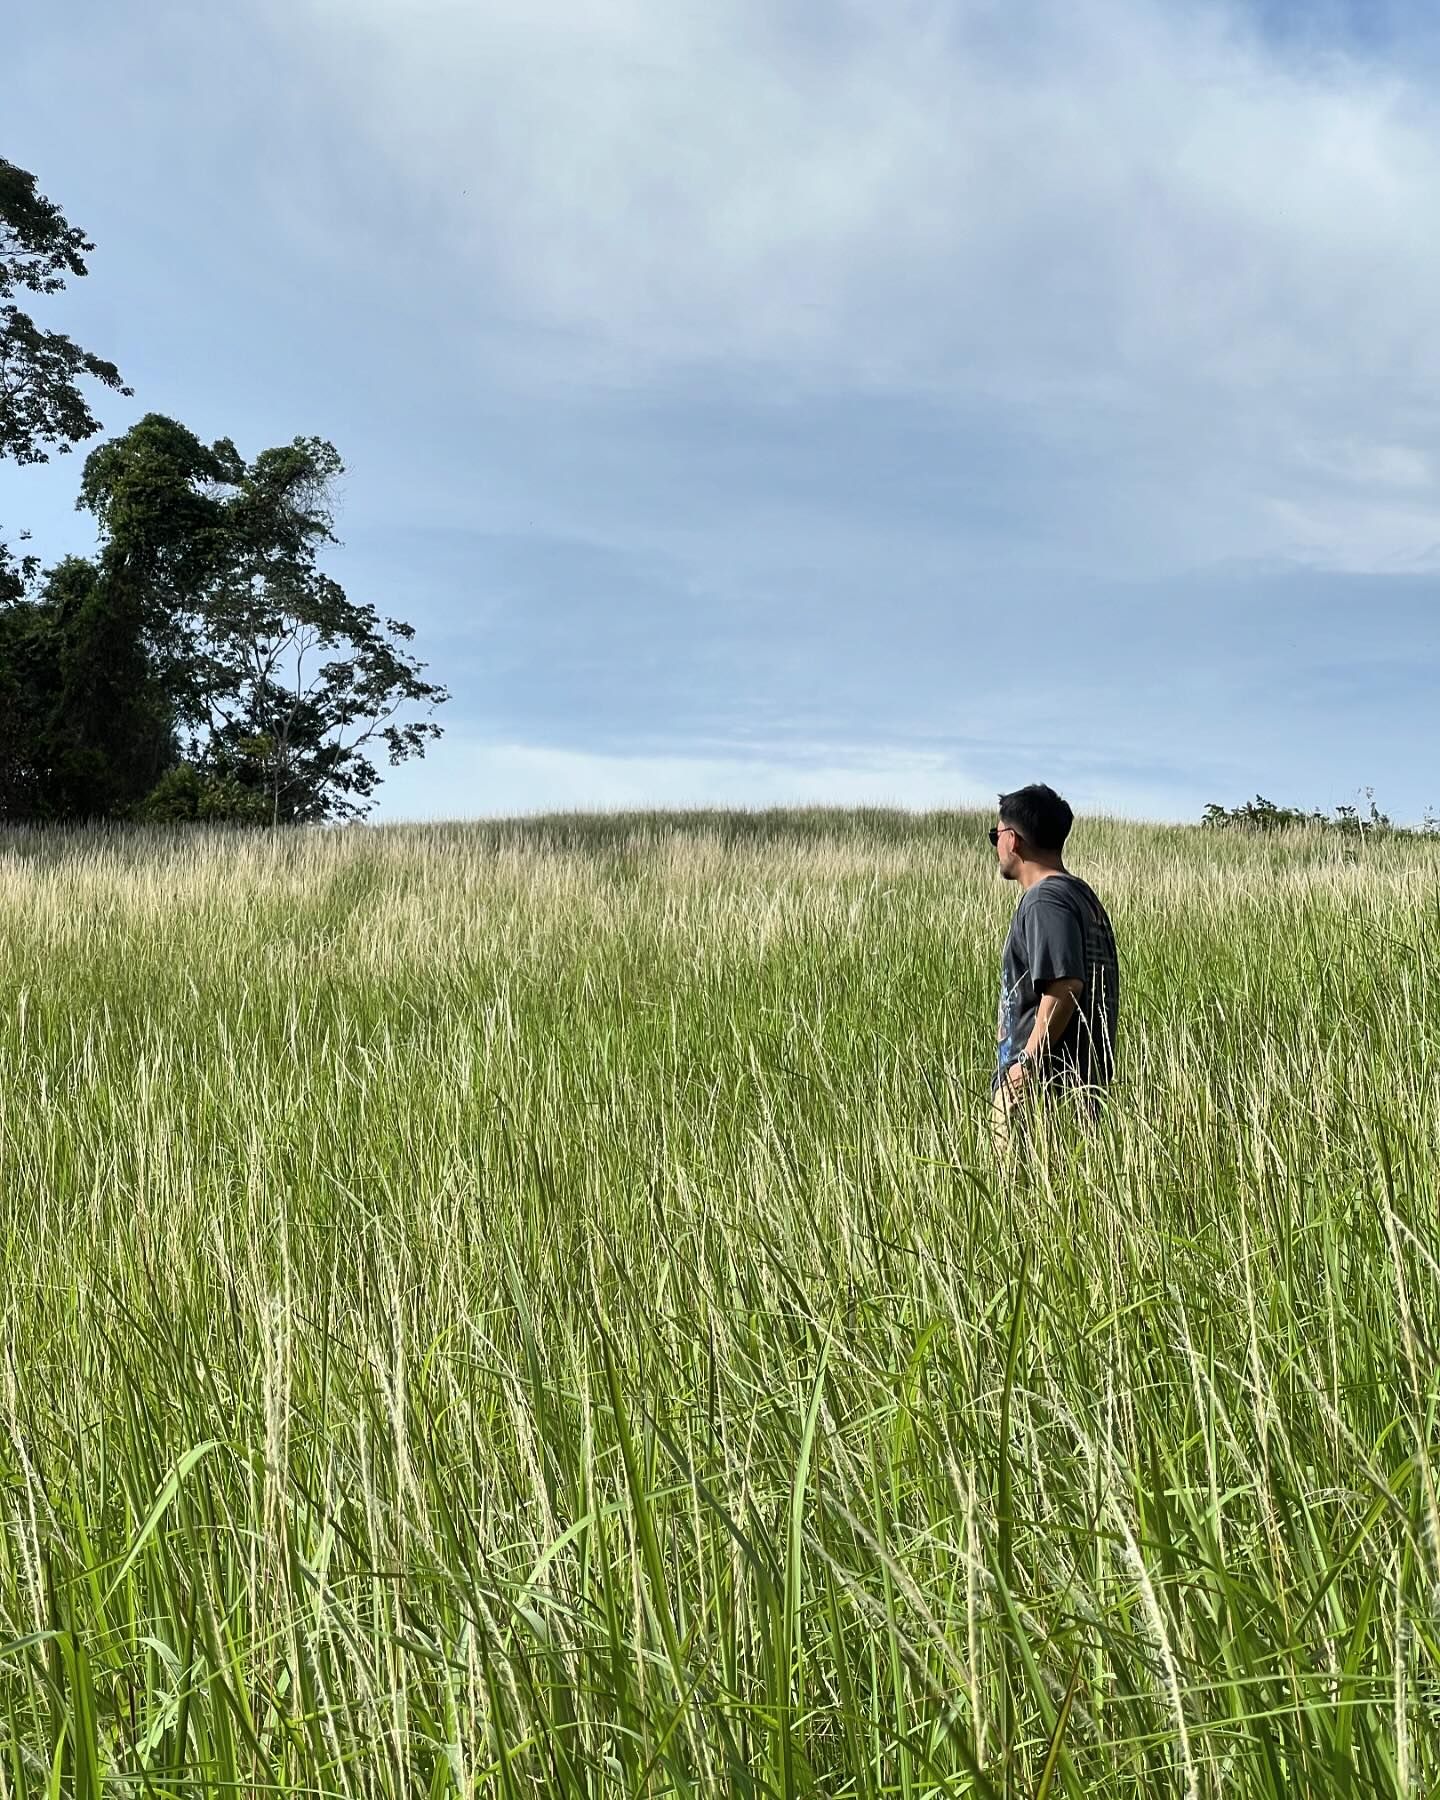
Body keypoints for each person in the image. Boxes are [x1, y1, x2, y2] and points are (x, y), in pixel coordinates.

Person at [991, 783, 1119, 1146]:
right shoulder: (1079, 896)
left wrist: (1025, 1068)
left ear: (1012, 840)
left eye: (995, 835)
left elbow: (1065, 986)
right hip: (1073, 1087)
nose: (996, 845)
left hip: (1045, 1090)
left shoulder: (1045, 900)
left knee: (1021, 1195)